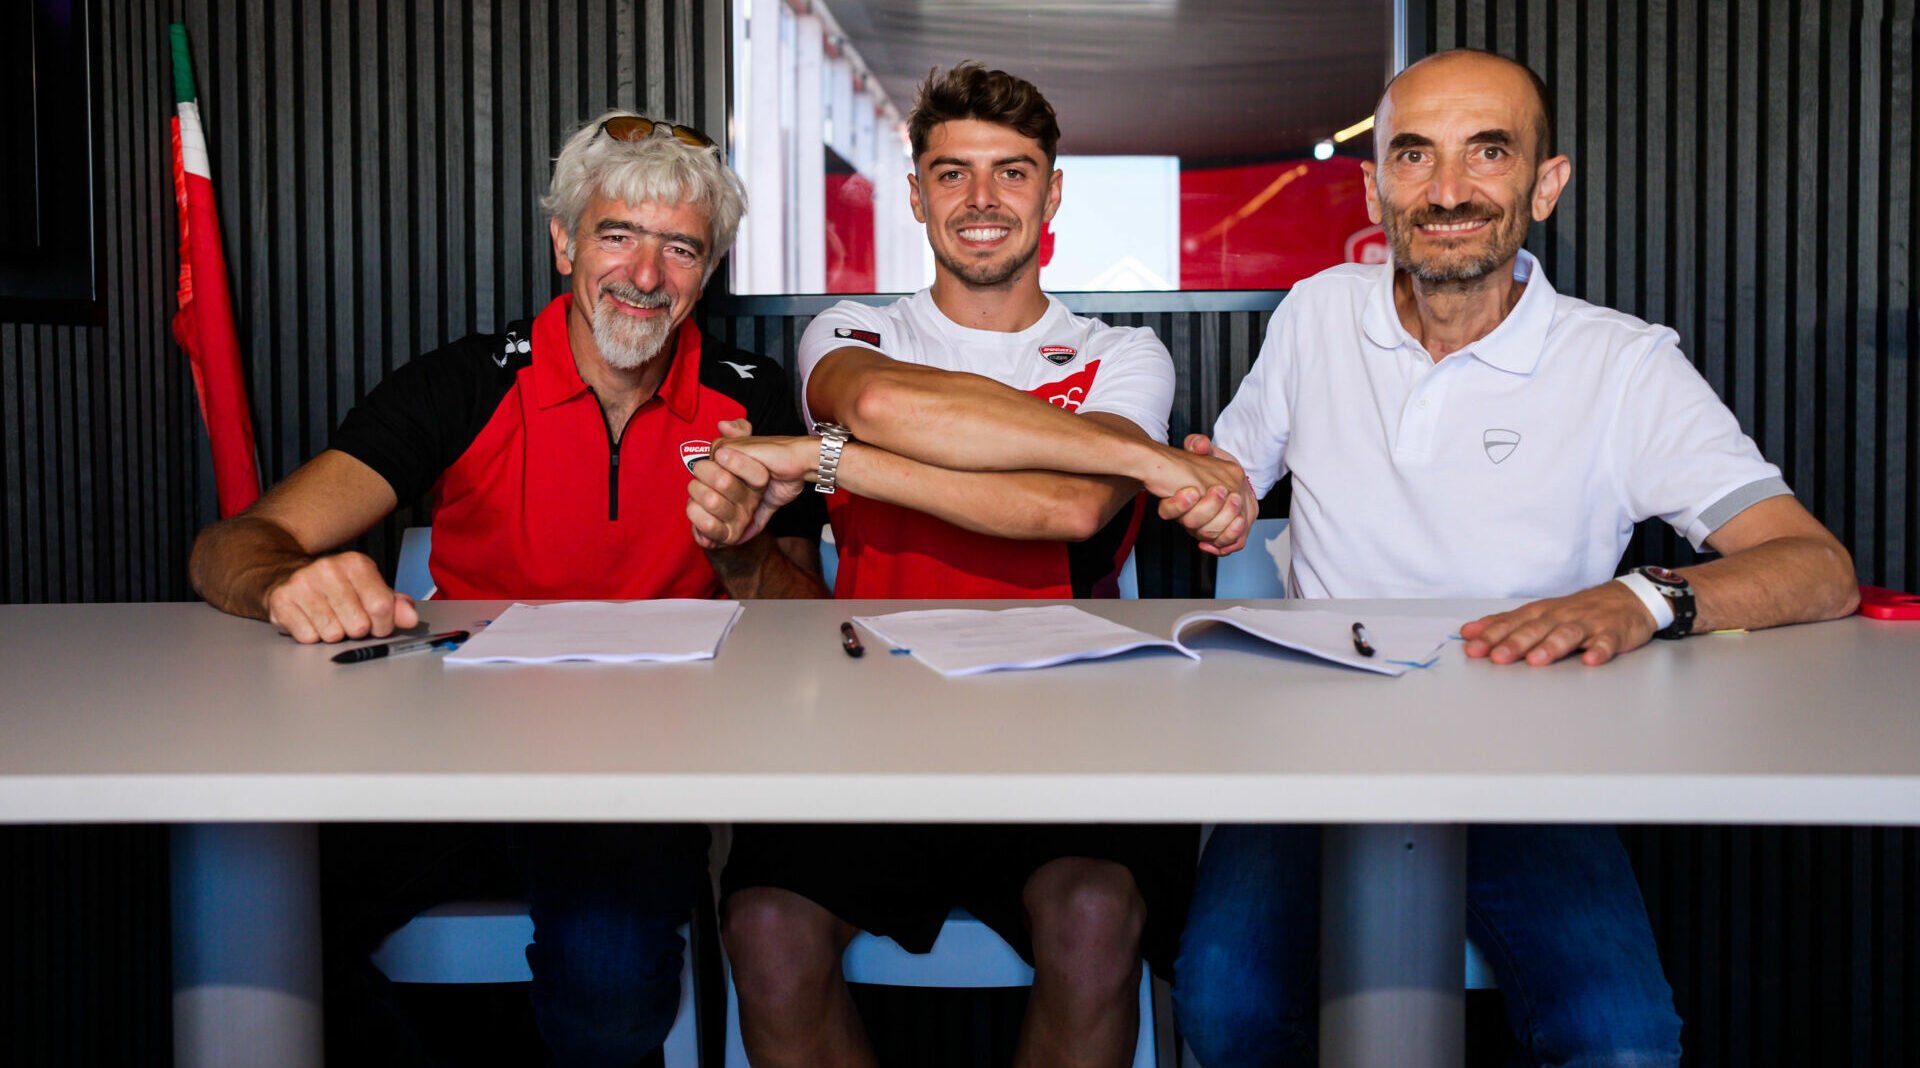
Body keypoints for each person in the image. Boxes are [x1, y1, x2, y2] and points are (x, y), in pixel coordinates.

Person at [1164, 49, 1859, 1066]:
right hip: (1314, 752)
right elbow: (1234, 475)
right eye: (1415, 157)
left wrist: (1645, 598)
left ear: (1547, 183)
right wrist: (1215, 496)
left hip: (1534, 764)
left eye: (1487, 154)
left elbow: (1815, 565)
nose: (1448, 192)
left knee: (1623, 1042)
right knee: (1221, 1003)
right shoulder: (1316, 313)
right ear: (1376, 186)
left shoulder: (1622, 364)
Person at [189, 109, 825, 1064]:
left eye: (680, 248)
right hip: (449, 760)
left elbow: (811, 629)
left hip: (639, 778)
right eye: (617, 235)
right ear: (564, 241)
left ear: (709, 267)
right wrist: (288, 582)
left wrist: (739, 558)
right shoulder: (466, 382)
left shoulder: (754, 395)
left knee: (612, 999)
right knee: (254, 914)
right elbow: (233, 545)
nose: (645, 276)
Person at [690, 63, 1243, 1067]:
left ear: (1053, 191)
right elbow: (883, 404)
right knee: (766, 928)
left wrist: (828, 462)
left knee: (1094, 916)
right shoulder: (855, 333)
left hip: (1067, 731)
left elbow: (1067, 508)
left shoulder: (1122, 352)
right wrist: (1142, 458)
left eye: (1012, 172)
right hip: (866, 734)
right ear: (915, 194)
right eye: (953, 174)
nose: (982, 200)